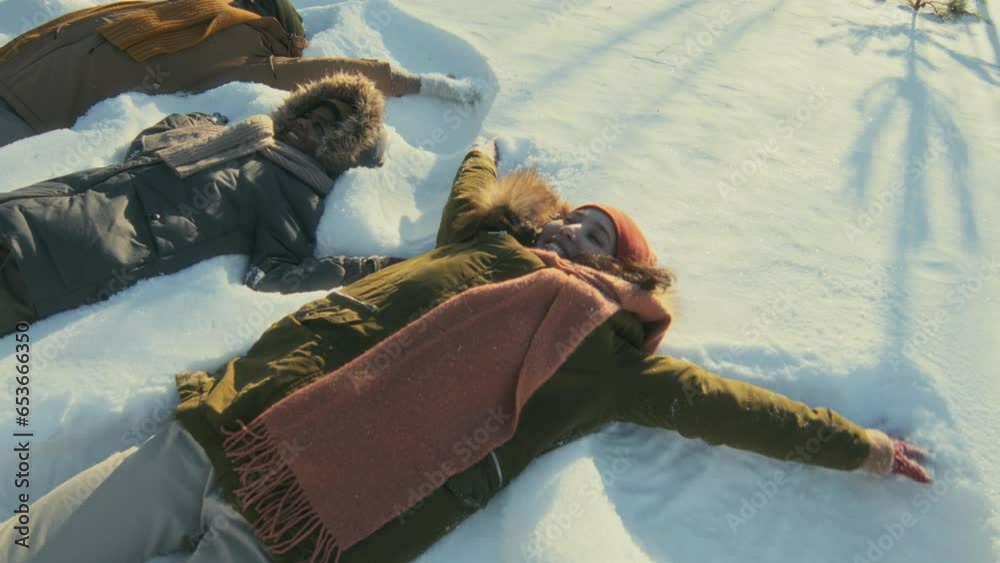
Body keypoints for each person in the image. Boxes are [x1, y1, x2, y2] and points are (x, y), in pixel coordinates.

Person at [0, 141, 932, 563]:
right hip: (223, 430)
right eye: (571, 218)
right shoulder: (481, 248)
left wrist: (860, 446)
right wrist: (487, 144)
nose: (570, 232)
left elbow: (733, 409)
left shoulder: (610, 355)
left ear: (634, 277)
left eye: (597, 237)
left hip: (302, 528)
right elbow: (473, 183)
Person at [0, 72, 396, 336]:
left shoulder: (294, 194)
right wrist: (203, 122)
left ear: (338, 151)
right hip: (46, 203)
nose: (302, 125)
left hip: (59, 258)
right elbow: (149, 145)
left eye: (320, 128)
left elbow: (273, 276)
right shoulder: (242, 136)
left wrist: (366, 270)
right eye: (307, 115)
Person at [0, 0, 481, 147]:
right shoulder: (247, 48)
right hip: (28, 111)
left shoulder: (171, 10)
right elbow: (335, 73)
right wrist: (421, 84)